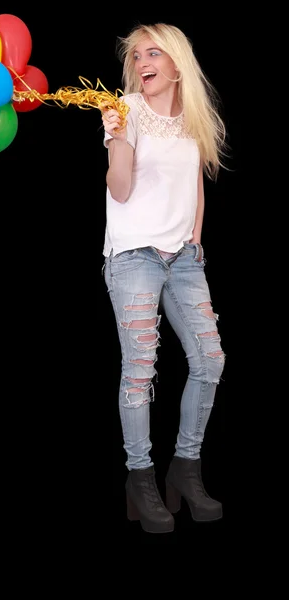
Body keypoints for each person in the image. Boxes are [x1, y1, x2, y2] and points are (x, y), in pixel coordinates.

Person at [101, 22, 228, 533]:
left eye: (153, 53)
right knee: (140, 372)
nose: (141, 62)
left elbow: (194, 180)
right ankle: (140, 477)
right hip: (134, 256)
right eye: (135, 55)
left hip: (183, 259)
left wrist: (195, 234)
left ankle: (186, 467)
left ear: (177, 63)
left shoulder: (195, 116)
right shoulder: (126, 111)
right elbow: (121, 189)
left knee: (210, 360)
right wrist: (116, 140)